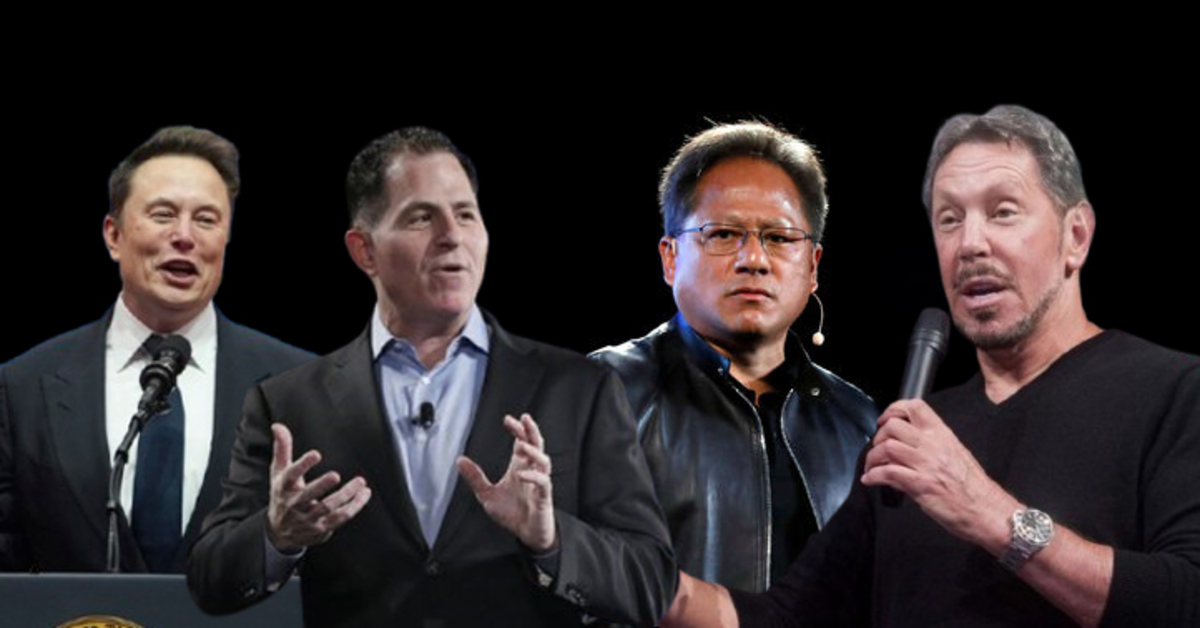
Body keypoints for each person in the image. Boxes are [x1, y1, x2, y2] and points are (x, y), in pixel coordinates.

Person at [662, 105, 1200, 628]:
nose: (970, 244)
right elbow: (787, 616)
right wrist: (641, 580)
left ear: (1075, 236)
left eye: (1003, 211)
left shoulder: (1175, 392)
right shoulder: (912, 439)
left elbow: (1186, 599)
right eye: (949, 219)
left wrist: (991, 514)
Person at [187, 127, 676, 627]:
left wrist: (550, 538)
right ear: (364, 250)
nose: (452, 236)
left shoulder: (579, 390)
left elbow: (649, 584)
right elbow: (209, 580)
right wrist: (276, 535)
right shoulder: (289, 403)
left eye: (465, 214)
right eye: (422, 217)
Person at [0, 126, 315, 573]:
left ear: (226, 238)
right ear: (113, 236)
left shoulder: (298, 385)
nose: (184, 236)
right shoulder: (22, 388)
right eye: (163, 214)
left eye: (206, 219)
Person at [591, 122, 877, 593]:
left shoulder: (858, 421)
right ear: (670, 257)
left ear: (812, 268)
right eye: (724, 234)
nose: (754, 260)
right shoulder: (602, 394)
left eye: (779, 238)